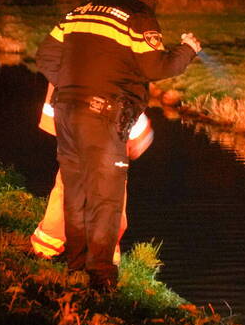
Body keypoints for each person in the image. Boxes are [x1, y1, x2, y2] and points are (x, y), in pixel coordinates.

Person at [35, 0, 201, 291]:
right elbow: (155, 66)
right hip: (105, 117)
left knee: (76, 192)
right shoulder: (138, 16)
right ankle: (100, 279)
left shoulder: (79, 12)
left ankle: (75, 268)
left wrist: (72, 87)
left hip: (67, 113)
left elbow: (45, 56)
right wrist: (188, 51)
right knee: (105, 199)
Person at [30, 83, 154, 264]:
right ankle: (102, 253)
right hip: (107, 125)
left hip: (77, 115)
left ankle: (49, 245)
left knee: (70, 181)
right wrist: (138, 130)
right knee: (108, 190)